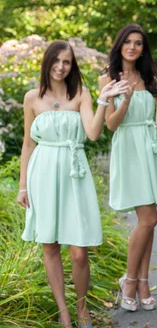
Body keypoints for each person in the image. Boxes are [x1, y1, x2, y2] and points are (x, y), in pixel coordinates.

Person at [17, 40, 128, 328]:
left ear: (72, 66)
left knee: (79, 251)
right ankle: (64, 313)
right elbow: (28, 144)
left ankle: (82, 310)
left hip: (73, 173)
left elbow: (92, 133)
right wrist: (22, 186)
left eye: (66, 62)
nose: (60, 66)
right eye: (56, 60)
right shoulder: (32, 98)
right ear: (47, 62)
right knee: (50, 245)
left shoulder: (81, 94)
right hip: (42, 173)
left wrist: (103, 100)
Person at [99, 23, 157, 312]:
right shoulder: (108, 79)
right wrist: (125, 100)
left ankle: (142, 281)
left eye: (138, 43)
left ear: (143, 48)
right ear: (120, 45)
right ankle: (129, 281)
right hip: (128, 148)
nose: (133, 47)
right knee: (148, 219)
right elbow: (111, 125)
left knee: (148, 220)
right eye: (128, 42)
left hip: (149, 148)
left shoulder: (149, 75)